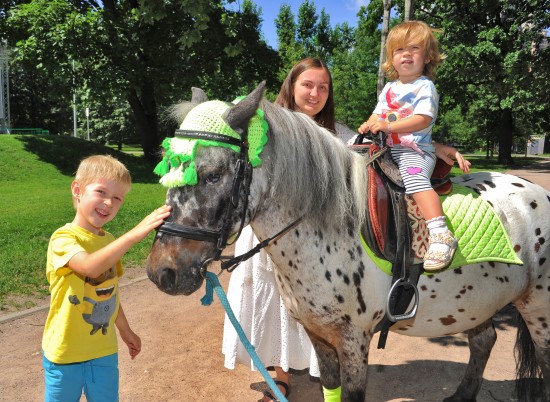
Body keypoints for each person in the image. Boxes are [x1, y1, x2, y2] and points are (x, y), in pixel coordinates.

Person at [223, 57, 470, 402]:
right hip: (267, 235)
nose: (315, 93)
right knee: (276, 304)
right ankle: (280, 377)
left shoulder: (335, 132)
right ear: (291, 86)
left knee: (311, 308)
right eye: (307, 84)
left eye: (323, 87)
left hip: (314, 245)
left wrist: (435, 147)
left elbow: (375, 147)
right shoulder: (266, 128)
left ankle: (320, 375)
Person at [42, 155, 171, 402]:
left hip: (103, 352)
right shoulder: (63, 239)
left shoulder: (109, 241)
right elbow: (89, 267)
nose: (108, 203)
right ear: (77, 190)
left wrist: (126, 330)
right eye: (101, 191)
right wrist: (135, 234)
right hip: (64, 354)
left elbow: (110, 294)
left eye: (117, 198)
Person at [358, 20, 470, 271]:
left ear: (428, 56)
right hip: (387, 149)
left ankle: (440, 233)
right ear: (391, 58)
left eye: (414, 48)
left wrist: (387, 126)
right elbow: (378, 115)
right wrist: (369, 124)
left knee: (415, 181)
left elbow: (423, 119)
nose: (406, 54)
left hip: (414, 150)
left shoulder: (424, 87)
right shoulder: (389, 88)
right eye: (399, 49)